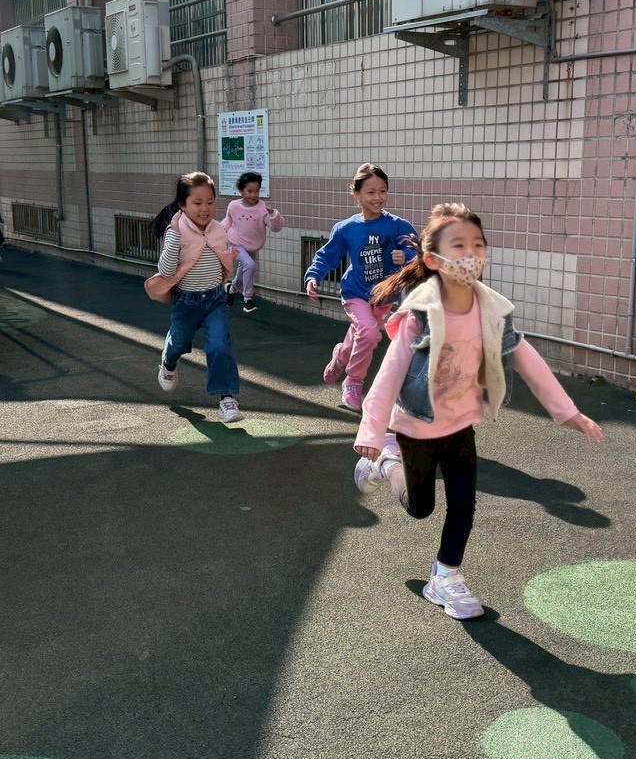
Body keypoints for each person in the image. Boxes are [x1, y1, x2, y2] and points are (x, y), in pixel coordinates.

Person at [352, 203, 605, 619]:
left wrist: (568, 412)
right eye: (459, 246)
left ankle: (445, 576)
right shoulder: (421, 317)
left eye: (478, 245)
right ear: (433, 260)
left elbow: (526, 358)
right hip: (416, 426)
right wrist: (372, 432)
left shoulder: (491, 311)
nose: (471, 254)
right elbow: (390, 373)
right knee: (420, 508)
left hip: (460, 425)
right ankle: (386, 464)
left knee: (464, 504)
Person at [303, 163, 417, 412]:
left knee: (361, 334)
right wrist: (313, 276)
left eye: (383, 191)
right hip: (355, 292)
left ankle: (341, 355)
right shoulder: (347, 228)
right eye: (371, 192)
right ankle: (353, 381)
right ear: (356, 194)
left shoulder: (398, 225)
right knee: (369, 333)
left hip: (384, 295)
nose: (378, 198)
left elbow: (418, 251)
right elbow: (327, 256)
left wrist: (406, 256)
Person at [148, 172, 244, 425]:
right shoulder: (176, 231)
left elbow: (222, 257)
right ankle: (168, 364)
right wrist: (174, 238)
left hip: (214, 300)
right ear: (183, 205)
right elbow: (166, 270)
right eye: (198, 203)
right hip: (186, 302)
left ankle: (226, 398)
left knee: (219, 346)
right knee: (179, 343)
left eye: (210, 202)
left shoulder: (217, 229)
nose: (205, 209)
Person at [221, 171, 284, 314]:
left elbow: (276, 228)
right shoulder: (233, 205)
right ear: (241, 191)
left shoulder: (262, 208)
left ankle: (232, 288)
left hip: (253, 245)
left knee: (244, 269)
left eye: (257, 191)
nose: (254, 195)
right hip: (236, 242)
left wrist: (272, 214)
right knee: (249, 265)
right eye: (250, 191)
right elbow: (228, 220)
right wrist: (221, 232)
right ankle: (248, 299)